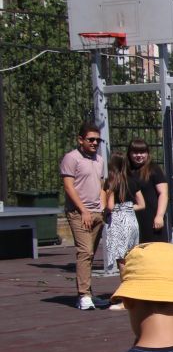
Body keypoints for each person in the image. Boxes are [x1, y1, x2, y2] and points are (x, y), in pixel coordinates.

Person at [62, 121, 108, 310]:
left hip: (97, 212)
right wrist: (84, 211)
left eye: (98, 140)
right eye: (91, 139)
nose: (95, 143)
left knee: (90, 254)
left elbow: (103, 185)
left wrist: (103, 207)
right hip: (79, 212)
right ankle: (83, 295)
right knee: (85, 252)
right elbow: (68, 186)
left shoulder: (99, 160)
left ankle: (88, 292)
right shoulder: (71, 158)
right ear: (80, 140)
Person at [103, 151, 146, 307]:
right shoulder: (132, 180)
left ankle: (127, 299)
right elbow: (142, 204)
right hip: (132, 220)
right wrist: (128, 207)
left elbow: (109, 206)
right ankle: (132, 293)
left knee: (121, 260)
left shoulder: (112, 182)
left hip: (119, 221)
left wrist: (106, 210)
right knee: (130, 257)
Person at [128, 138, 170, 244]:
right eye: (135, 152)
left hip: (151, 219)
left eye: (142, 152)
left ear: (147, 153)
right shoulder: (126, 170)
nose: (139, 155)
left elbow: (163, 193)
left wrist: (159, 216)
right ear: (130, 153)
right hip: (132, 218)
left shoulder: (154, 169)